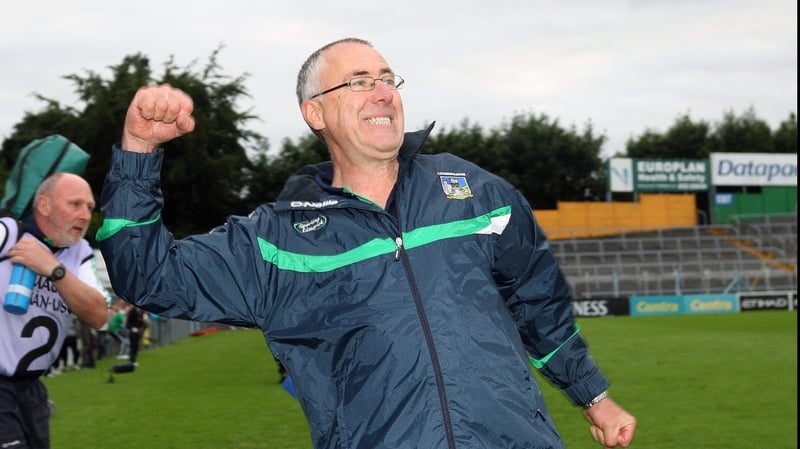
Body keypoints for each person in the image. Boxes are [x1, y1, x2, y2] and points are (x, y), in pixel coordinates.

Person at [97, 38, 637, 449]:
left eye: (387, 78)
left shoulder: (474, 191)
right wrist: (139, 152)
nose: (382, 92)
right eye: (357, 82)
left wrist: (593, 396)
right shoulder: (277, 239)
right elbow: (147, 276)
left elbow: (538, 305)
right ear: (315, 113)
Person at [1, 172, 108, 449]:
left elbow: (98, 315)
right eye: (75, 204)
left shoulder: (80, 251)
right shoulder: (9, 232)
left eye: (89, 207)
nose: (85, 216)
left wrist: (53, 269)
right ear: (45, 205)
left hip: (33, 390)